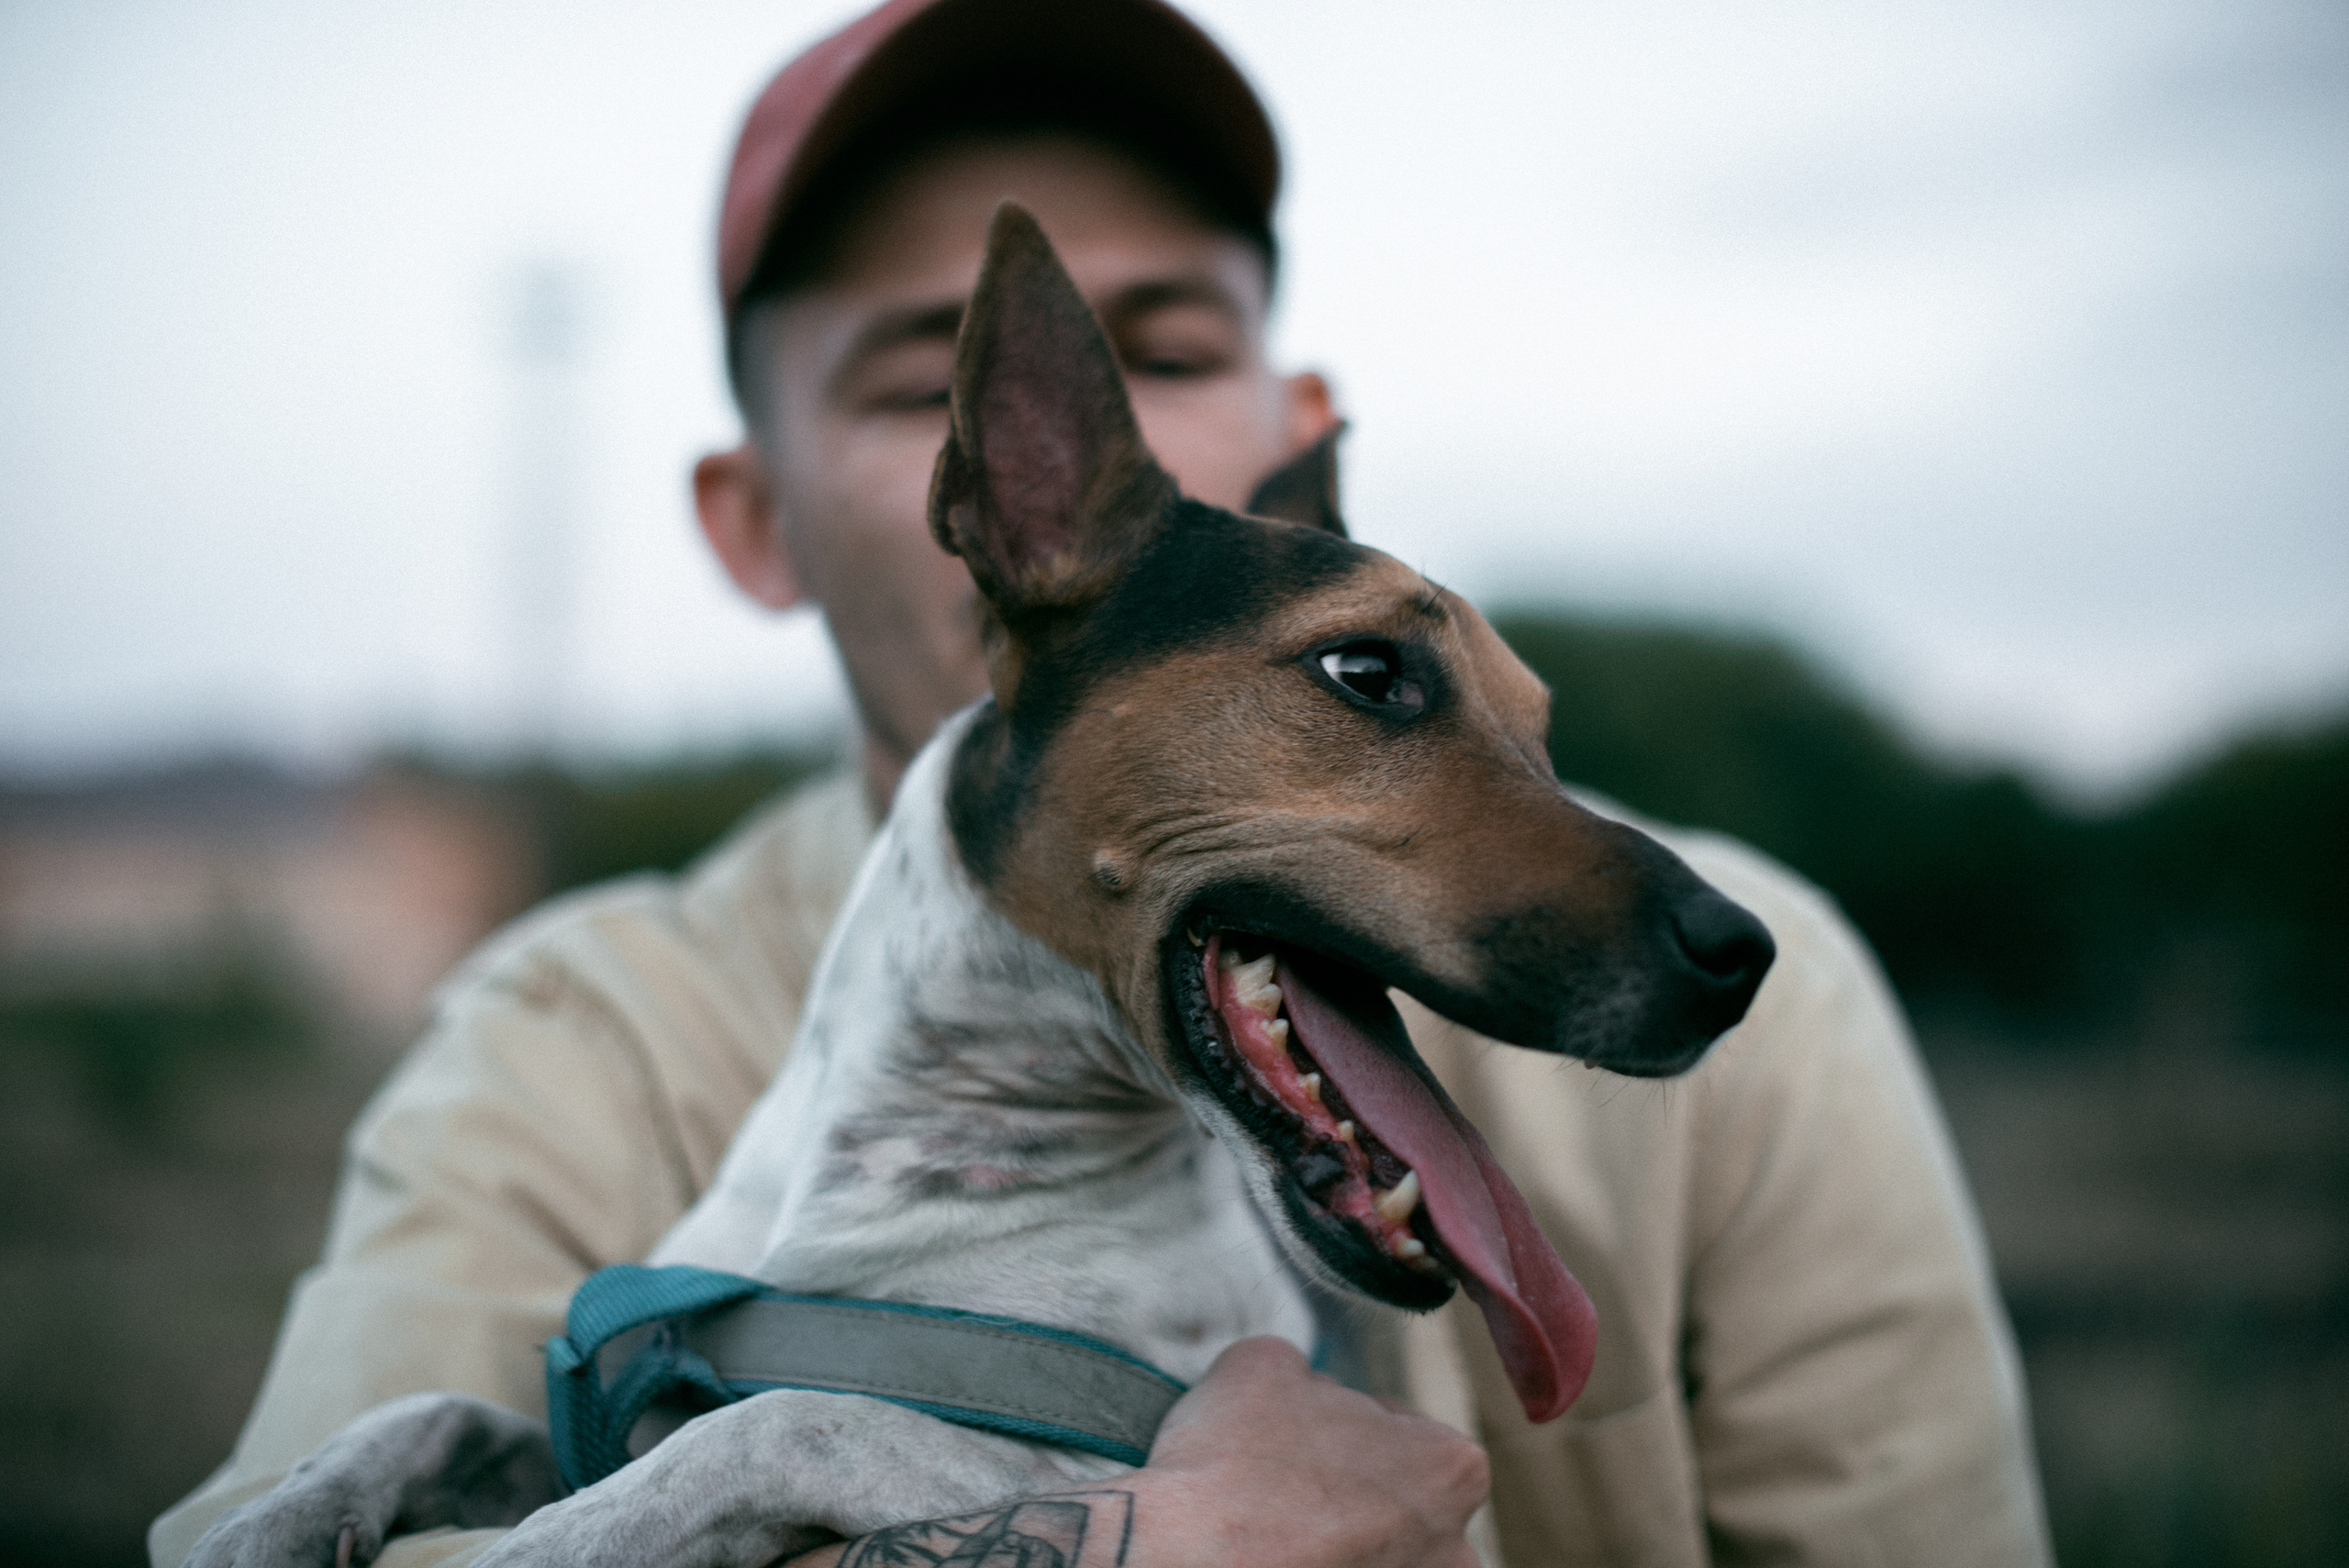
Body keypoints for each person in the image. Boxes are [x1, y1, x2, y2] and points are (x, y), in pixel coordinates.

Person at [150, 2, 2051, 1563]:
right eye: (935, 382)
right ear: (766, 520)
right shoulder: (567, 1048)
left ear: (1301, 460)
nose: (1131, 453)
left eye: (1181, 346)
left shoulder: (1764, 998)